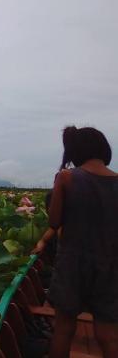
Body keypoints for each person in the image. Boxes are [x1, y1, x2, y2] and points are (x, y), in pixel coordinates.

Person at [43, 126, 118, 358]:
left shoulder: (67, 177)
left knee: (64, 330)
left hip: (72, 264)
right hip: (112, 264)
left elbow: (55, 222)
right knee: (107, 334)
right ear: (103, 148)